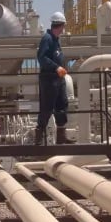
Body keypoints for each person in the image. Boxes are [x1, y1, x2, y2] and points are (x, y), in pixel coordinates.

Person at [34, 12, 76, 145]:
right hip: (49, 79)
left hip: (59, 79)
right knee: (47, 108)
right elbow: (42, 57)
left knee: (62, 105)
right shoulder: (47, 39)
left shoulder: (56, 40)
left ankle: (61, 137)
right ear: (60, 25)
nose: (63, 29)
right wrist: (56, 67)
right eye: (63, 26)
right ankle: (39, 139)